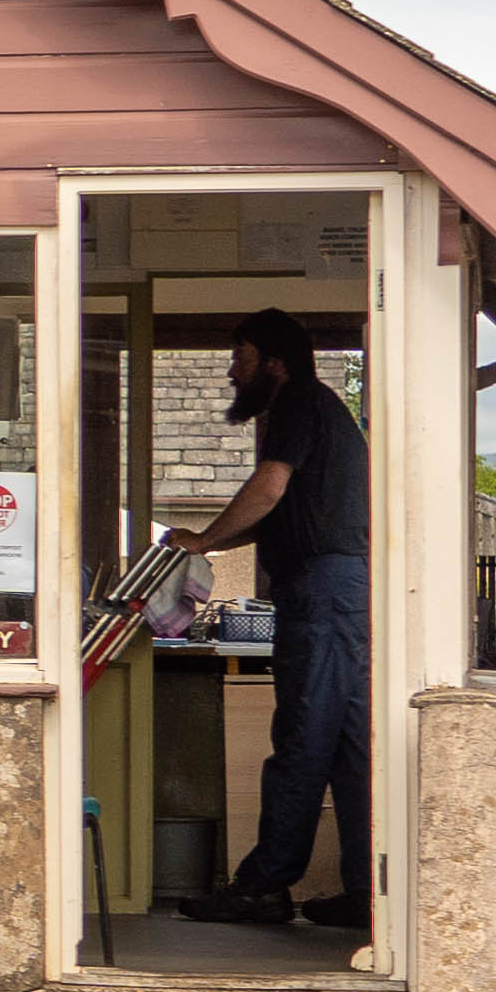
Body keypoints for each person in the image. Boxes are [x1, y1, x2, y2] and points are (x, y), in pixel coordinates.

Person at [185, 309, 369, 931]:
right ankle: (371, 893)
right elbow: (280, 513)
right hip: (343, 590)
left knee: (302, 737)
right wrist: (210, 542)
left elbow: (267, 488)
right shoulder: (321, 409)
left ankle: (262, 887)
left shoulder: (296, 403)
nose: (233, 370)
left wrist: (203, 540)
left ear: (275, 360)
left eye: (241, 355)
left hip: (322, 591)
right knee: (349, 746)